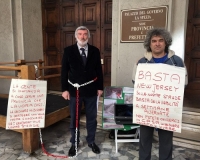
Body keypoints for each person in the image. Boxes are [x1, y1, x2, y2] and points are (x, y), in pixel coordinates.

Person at [132, 28, 187, 160]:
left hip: (167, 108)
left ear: (166, 42)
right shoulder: (141, 62)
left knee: (166, 141)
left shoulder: (176, 61)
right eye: (154, 41)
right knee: (144, 140)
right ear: (149, 44)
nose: (157, 44)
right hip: (147, 108)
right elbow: (135, 81)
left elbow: (183, 82)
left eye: (161, 40)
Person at [61, 26, 103, 157]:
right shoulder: (68, 51)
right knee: (75, 118)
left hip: (91, 90)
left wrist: (100, 87)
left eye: (85, 34)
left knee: (92, 118)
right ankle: (74, 142)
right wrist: (64, 90)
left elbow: (99, 71)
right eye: (80, 34)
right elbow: (64, 71)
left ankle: (91, 141)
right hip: (74, 90)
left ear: (88, 36)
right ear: (76, 36)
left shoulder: (95, 51)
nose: (82, 36)